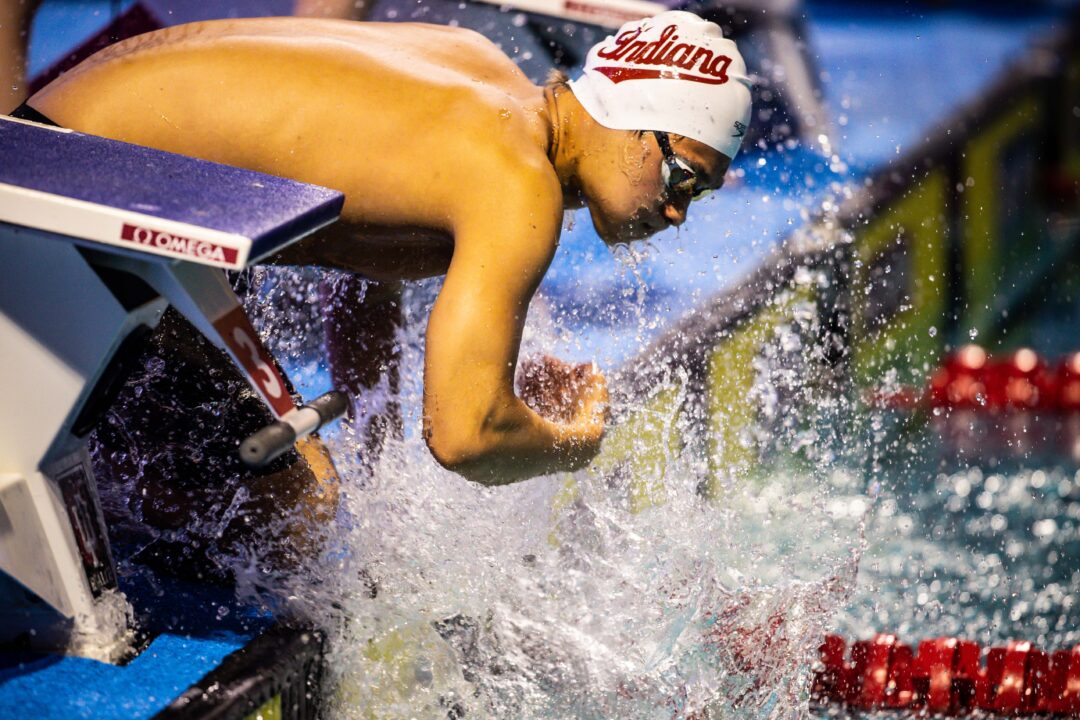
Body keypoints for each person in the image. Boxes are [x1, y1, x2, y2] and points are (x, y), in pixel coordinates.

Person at [18, 10, 752, 486]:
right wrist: (575, 439)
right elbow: (466, 437)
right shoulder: (516, 183)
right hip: (54, 207)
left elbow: (369, 271)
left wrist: (376, 460)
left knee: (310, 468)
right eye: (685, 175)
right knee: (300, 514)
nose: (681, 211)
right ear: (637, 116)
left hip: (48, 154)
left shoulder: (480, 69)